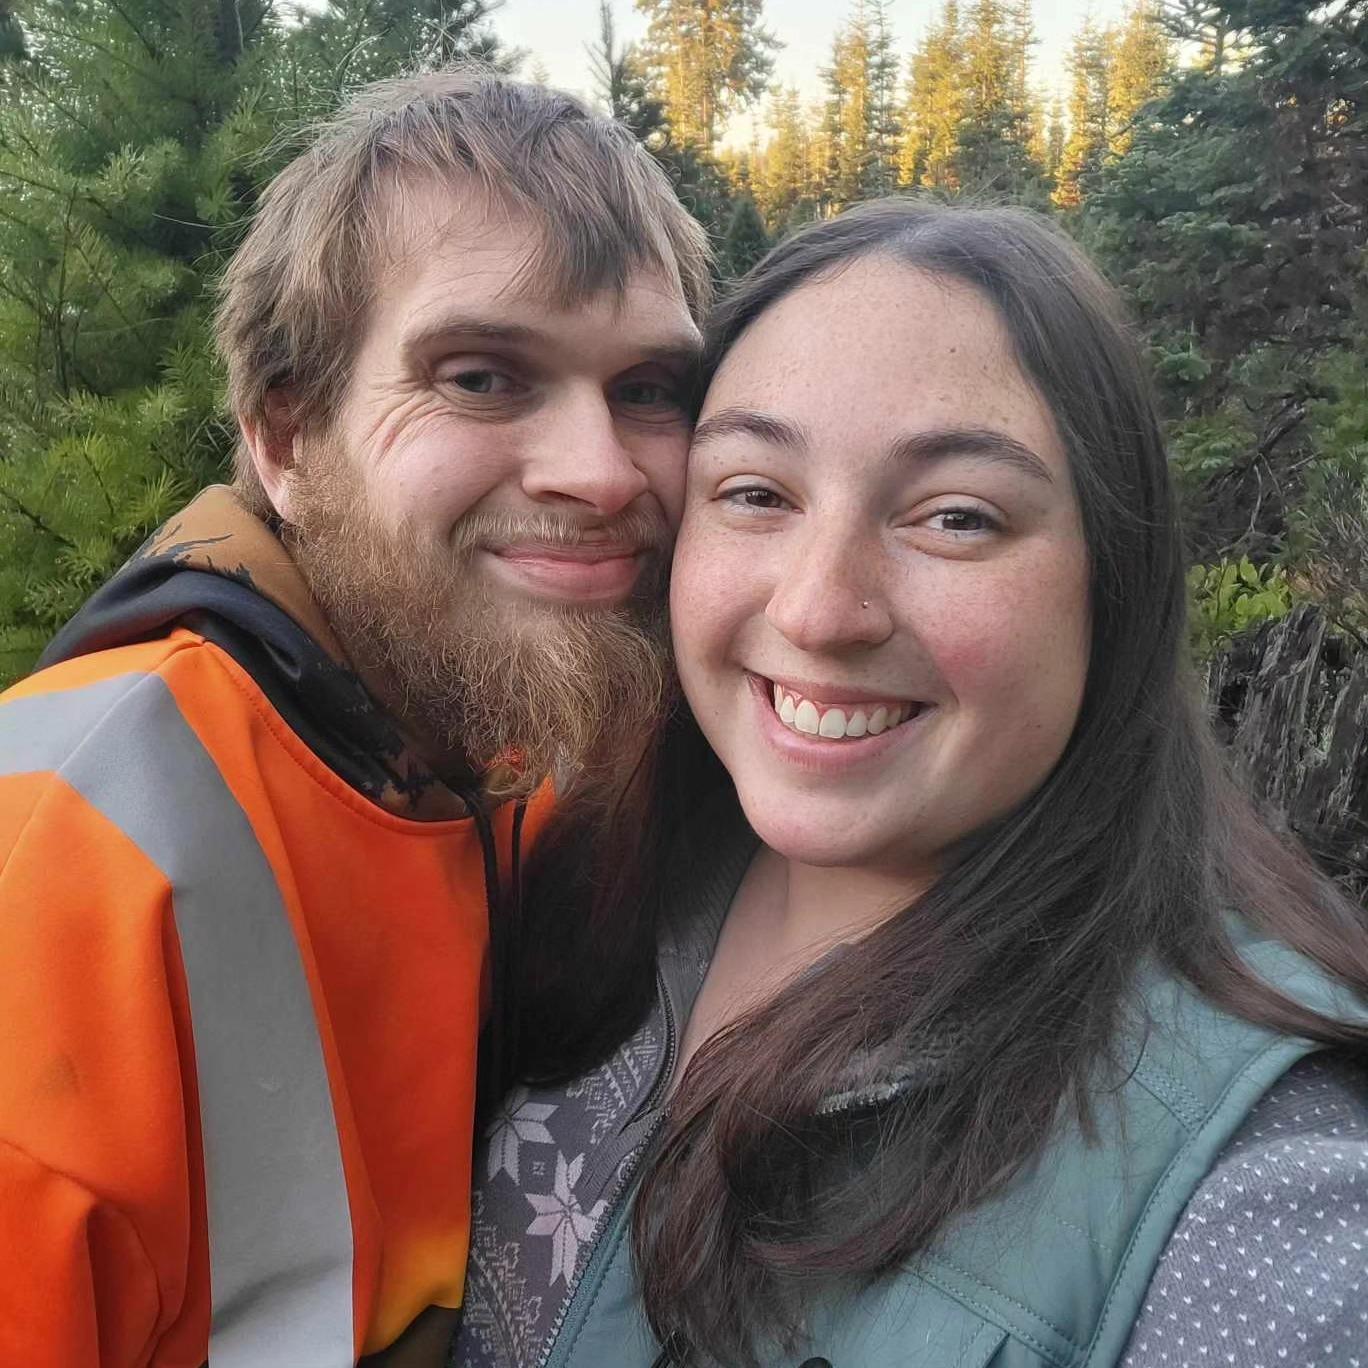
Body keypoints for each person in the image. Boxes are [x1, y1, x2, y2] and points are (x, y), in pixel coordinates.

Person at [455, 200, 1368, 1368]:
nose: (820, 609)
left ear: (1114, 584)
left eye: (955, 517)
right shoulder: (574, 873)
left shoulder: (1260, 1198)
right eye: (756, 491)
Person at [0, 69, 710, 1367]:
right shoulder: (60, 866)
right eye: (484, 376)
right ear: (285, 433)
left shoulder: (511, 744)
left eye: (651, 389)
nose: (603, 473)